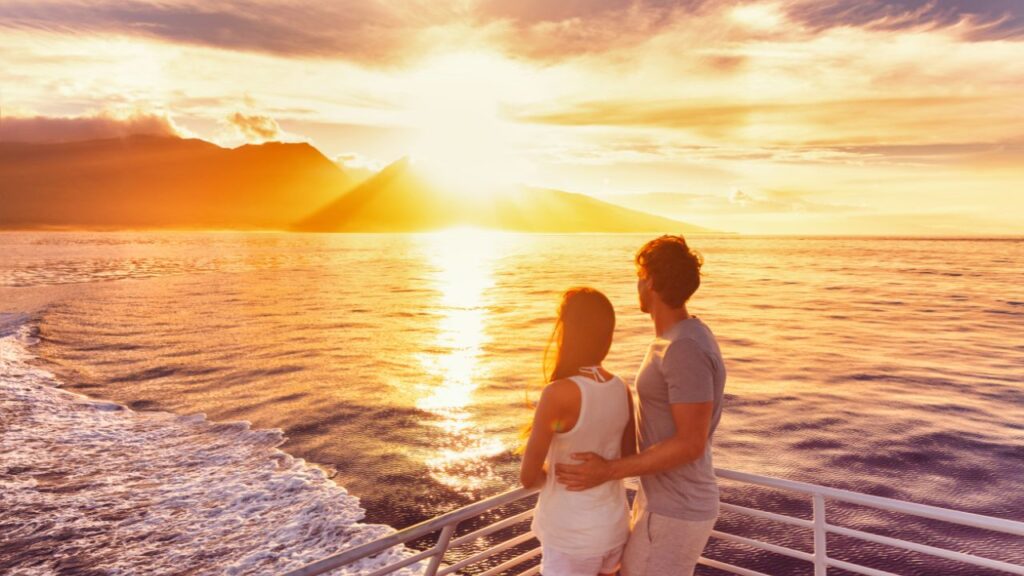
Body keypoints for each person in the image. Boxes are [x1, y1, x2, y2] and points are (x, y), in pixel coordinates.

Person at [555, 235, 726, 576]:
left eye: (638, 275)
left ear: (649, 280)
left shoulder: (683, 348)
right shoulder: (679, 338)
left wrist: (608, 470)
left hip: (675, 508)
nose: (636, 284)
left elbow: (691, 442)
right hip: (662, 501)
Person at [520, 287, 637, 576]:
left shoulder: (558, 393)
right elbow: (628, 458)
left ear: (568, 331)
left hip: (572, 537)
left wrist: (552, 471)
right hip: (613, 528)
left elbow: (527, 477)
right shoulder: (621, 387)